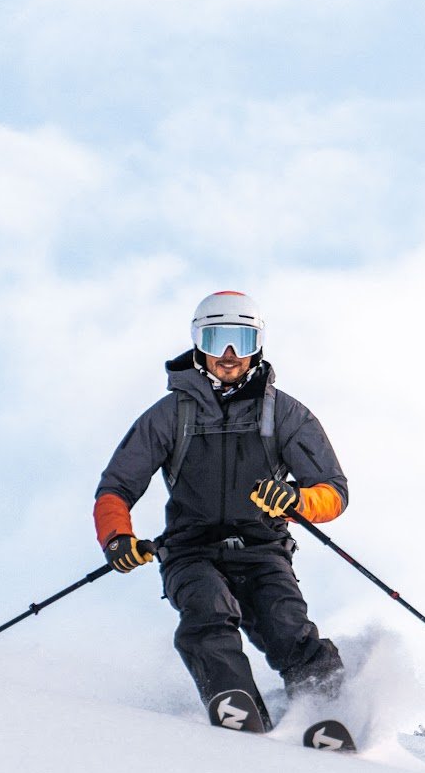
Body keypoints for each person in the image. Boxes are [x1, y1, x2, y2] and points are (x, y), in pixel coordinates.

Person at [93, 290, 347, 731]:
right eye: (216, 340)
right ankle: (236, 709)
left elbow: (333, 491)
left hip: (263, 550)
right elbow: (116, 486)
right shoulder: (169, 415)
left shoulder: (284, 414)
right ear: (198, 344)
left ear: (258, 345)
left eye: (242, 342)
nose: (229, 356)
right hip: (191, 551)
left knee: (288, 627)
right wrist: (118, 538)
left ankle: (328, 716)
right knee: (208, 613)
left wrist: (295, 501)